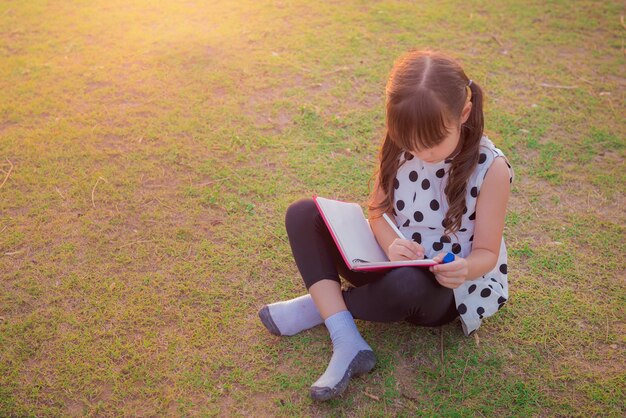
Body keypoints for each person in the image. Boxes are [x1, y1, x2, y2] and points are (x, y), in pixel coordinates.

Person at [258, 50, 513, 401]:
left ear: (464, 114)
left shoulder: (491, 168)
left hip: (446, 287)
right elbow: (377, 211)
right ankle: (348, 338)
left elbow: (486, 251)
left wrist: (464, 268)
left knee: (406, 284)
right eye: (410, 142)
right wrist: (391, 243)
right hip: (387, 256)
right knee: (303, 213)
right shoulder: (401, 140)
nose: (420, 151)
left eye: (432, 142)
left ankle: (322, 308)